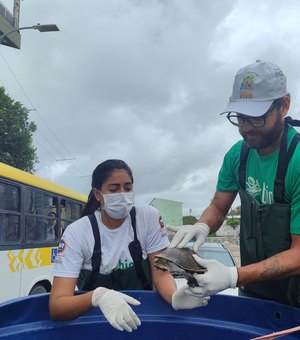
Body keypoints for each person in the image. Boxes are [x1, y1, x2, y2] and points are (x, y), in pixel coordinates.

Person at [168, 60, 300, 307]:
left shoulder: (298, 160)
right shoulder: (238, 156)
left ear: (283, 106)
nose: (246, 127)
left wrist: (233, 276)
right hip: (255, 293)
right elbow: (218, 208)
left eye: (256, 117)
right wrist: (202, 225)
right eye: (239, 117)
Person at [49, 159, 209, 333]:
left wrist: (174, 298)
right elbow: (58, 306)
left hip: (142, 318)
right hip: (95, 323)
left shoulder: (147, 218)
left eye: (128, 187)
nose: (123, 194)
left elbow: (161, 274)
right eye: (114, 189)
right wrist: (98, 296)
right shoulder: (77, 233)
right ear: (97, 194)